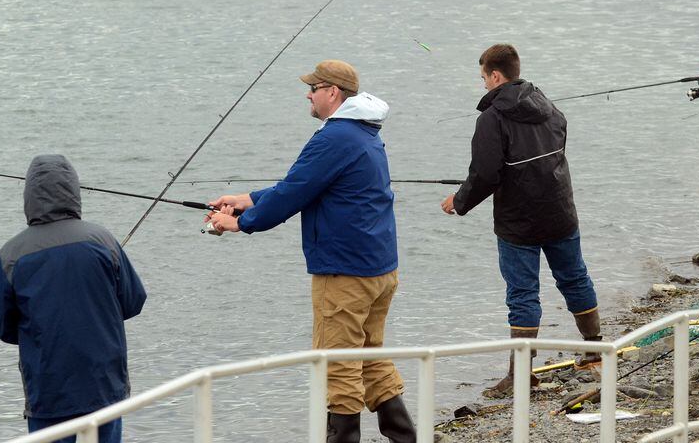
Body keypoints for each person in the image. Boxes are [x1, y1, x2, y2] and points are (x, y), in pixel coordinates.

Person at [203, 61, 416, 443]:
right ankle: (404, 437)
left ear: (333, 92)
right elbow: (305, 185)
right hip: (379, 269)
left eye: (313, 87)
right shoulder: (362, 133)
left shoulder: (334, 137)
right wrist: (246, 199)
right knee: (369, 355)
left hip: (345, 274)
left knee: (337, 364)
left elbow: (294, 191)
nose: (308, 94)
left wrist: (240, 222)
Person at [441, 44, 601, 398]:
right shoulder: (544, 102)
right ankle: (594, 350)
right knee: (574, 277)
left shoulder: (491, 119)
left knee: (523, 294)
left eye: (483, 77)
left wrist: (460, 200)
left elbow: (485, 175)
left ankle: (521, 376)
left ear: (496, 76)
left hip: (518, 224)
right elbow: (558, 135)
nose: (483, 85)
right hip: (560, 210)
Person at [0, 155, 147, 442]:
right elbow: (133, 301)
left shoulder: (12, 254)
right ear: (73, 191)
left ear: (29, 196)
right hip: (105, 387)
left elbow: (1, 323)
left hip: (49, 393)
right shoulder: (103, 241)